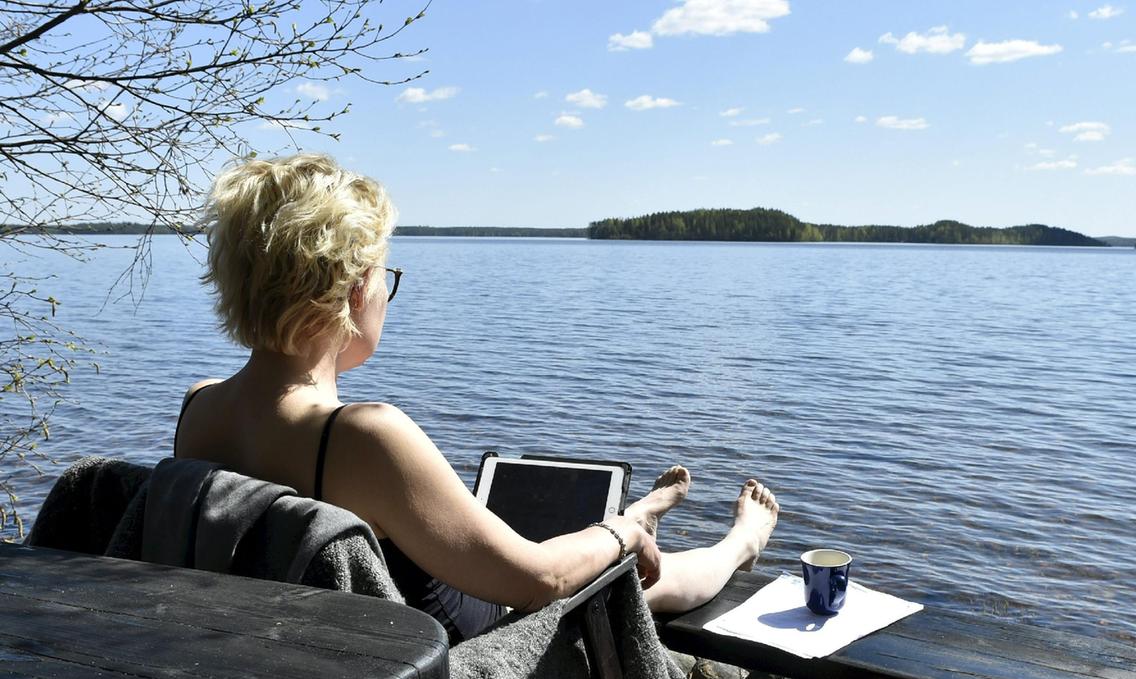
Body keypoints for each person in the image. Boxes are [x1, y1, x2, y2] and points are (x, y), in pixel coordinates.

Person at [174, 153, 778, 648]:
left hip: (303, 669)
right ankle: (735, 544)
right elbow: (540, 579)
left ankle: (639, 518)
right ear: (355, 290)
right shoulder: (362, 437)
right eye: (387, 276)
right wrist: (621, 535)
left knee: (540, 541)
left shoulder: (199, 410)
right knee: (641, 577)